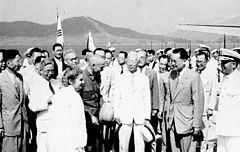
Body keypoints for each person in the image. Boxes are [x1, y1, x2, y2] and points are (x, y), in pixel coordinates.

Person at [168, 48, 204, 152]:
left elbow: (198, 102)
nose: (172, 63)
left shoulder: (193, 77)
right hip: (173, 123)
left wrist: (196, 125)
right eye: (171, 60)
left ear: (184, 61)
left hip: (187, 124)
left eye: (175, 61)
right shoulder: (172, 75)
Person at [114, 51, 151, 152]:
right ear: (126, 61)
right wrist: (116, 114)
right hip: (124, 115)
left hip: (140, 115)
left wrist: (147, 116)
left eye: (133, 61)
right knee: (123, 144)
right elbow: (116, 97)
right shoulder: (120, 78)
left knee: (140, 145)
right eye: (129, 61)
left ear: (138, 62)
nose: (130, 64)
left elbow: (147, 98)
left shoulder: (144, 78)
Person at [47, 67, 87, 152]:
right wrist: (79, 145)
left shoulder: (61, 94)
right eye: (80, 80)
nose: (83, 82)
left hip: (60, 143)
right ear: (71, 81)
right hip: (69, 144)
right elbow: (76, 123)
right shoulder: (72, 96)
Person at [0, 49, 29, 152]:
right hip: (9, 127)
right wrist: (0, 127)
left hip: (23, 125)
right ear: (8, 63)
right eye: (17, 61)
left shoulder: (20, 78)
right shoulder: (1, 79)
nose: (20, 64)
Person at [27, 59, 55, 152]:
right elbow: (33, 106)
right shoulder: (35, 85)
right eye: (47, 71)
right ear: (41, 71)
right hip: (44, 126)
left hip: (56, 125)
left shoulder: (55, 83)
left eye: (52, 70)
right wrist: (47, 101)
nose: (50, 73)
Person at [216, 48, 240, 152]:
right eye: (221, 62)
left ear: (234, 64)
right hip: (222, 128)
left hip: (235, 131)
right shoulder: (224, 79)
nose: (221, 65)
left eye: (224, 62)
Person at [80, 55, 105, 152]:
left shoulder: (97, 76)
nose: (102, 69)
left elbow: (98, 96)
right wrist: (90, 116)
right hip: (87, 117)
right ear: (93, 65)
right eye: (101, 67)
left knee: (97, 145)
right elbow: (79, 101)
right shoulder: (82, 78)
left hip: (97, 116)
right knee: (89, 145)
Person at [195, 51, 218, 152]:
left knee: (204, 137)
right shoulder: (192, 72)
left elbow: (213, 93)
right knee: (194, 137)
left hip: (204, 111)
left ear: (206, 61)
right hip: (193, 111)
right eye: (197, 61)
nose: (199, 64)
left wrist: (210, 108)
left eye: (201, 62)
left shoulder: (211, 75)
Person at [157, 55, 171, 152]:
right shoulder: (154, 73)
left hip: (165, 108)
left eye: (165, 64)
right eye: (161, 64)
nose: (163, 66)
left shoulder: (168, 76)